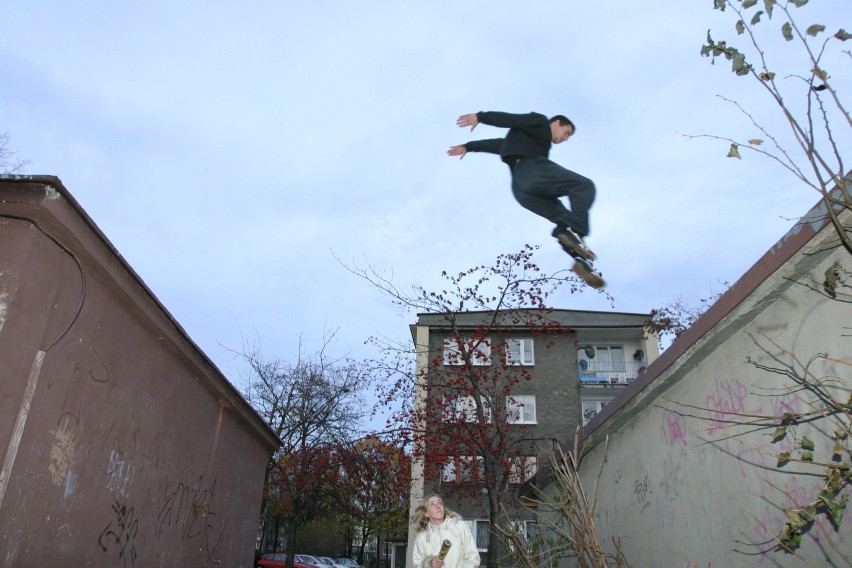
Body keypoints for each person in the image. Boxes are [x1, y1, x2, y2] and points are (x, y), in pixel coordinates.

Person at [448, 111, 604, 288]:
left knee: (562, 217)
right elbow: (511, 119)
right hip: (532, 171)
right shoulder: (539, 122)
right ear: (557, 122)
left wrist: (468, 146)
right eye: (566, 132)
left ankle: (580, 260)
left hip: (522, 191)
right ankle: (577, 233)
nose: (565, 138)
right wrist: (481, 117)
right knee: (584, 186)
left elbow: (498, 144)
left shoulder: (526, 140)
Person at [411, 494, 481, 568]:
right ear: (426, 513)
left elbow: (473, 558)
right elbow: (417, 564)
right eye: (433, 504)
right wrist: (429, 564)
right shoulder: (421, 537)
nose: (438, 506)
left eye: (440, 503)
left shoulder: (460, 527)